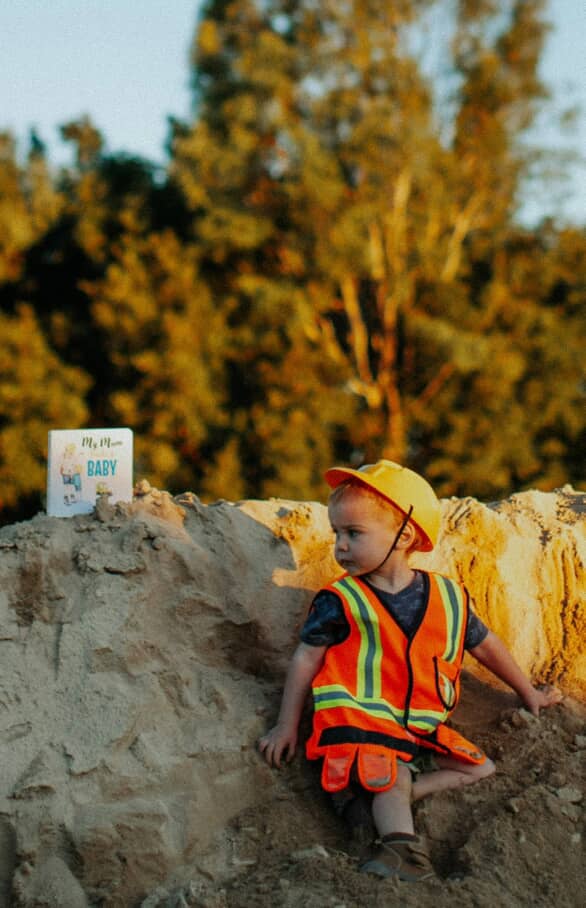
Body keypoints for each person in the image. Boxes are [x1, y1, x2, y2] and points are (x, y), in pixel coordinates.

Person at [258, 460, 562, 882]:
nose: (340, 547)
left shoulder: (447, 596)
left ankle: (384, 801)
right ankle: (403, 850)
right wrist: (285, 726)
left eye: (353, 533)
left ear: (404, 536)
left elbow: (486, 646)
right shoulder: (340, 599)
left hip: (417, 728)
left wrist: (528, 693)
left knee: (481, 769)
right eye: (336, 533)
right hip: (358, 725)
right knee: (390, 772)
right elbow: (305, 659)